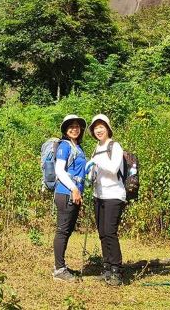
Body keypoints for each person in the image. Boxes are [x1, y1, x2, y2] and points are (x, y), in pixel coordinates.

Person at [87, 113, 126, 286]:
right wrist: (88, 175)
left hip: (114, 195)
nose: (99, 130)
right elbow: (95, 170)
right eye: (96, 128)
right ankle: (107, 268)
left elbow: (112, 167)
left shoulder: (115, 146)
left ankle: (117, 271)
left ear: (108, 128)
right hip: (99, 195)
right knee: (102, 233)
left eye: (101, 127)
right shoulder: (96, 148)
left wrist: (95, 160)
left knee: (110, 232)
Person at [52, 114, 87, 282]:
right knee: (62, 230)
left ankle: (61, 266)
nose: (74, 128)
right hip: (66, 193)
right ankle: (59, 270)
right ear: (65, 130)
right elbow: (59, 170)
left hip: (74, 194)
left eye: (77, 126)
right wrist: (74, 188)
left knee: (67, 231)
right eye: (70, 126)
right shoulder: (65, 146)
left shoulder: (78, 147)